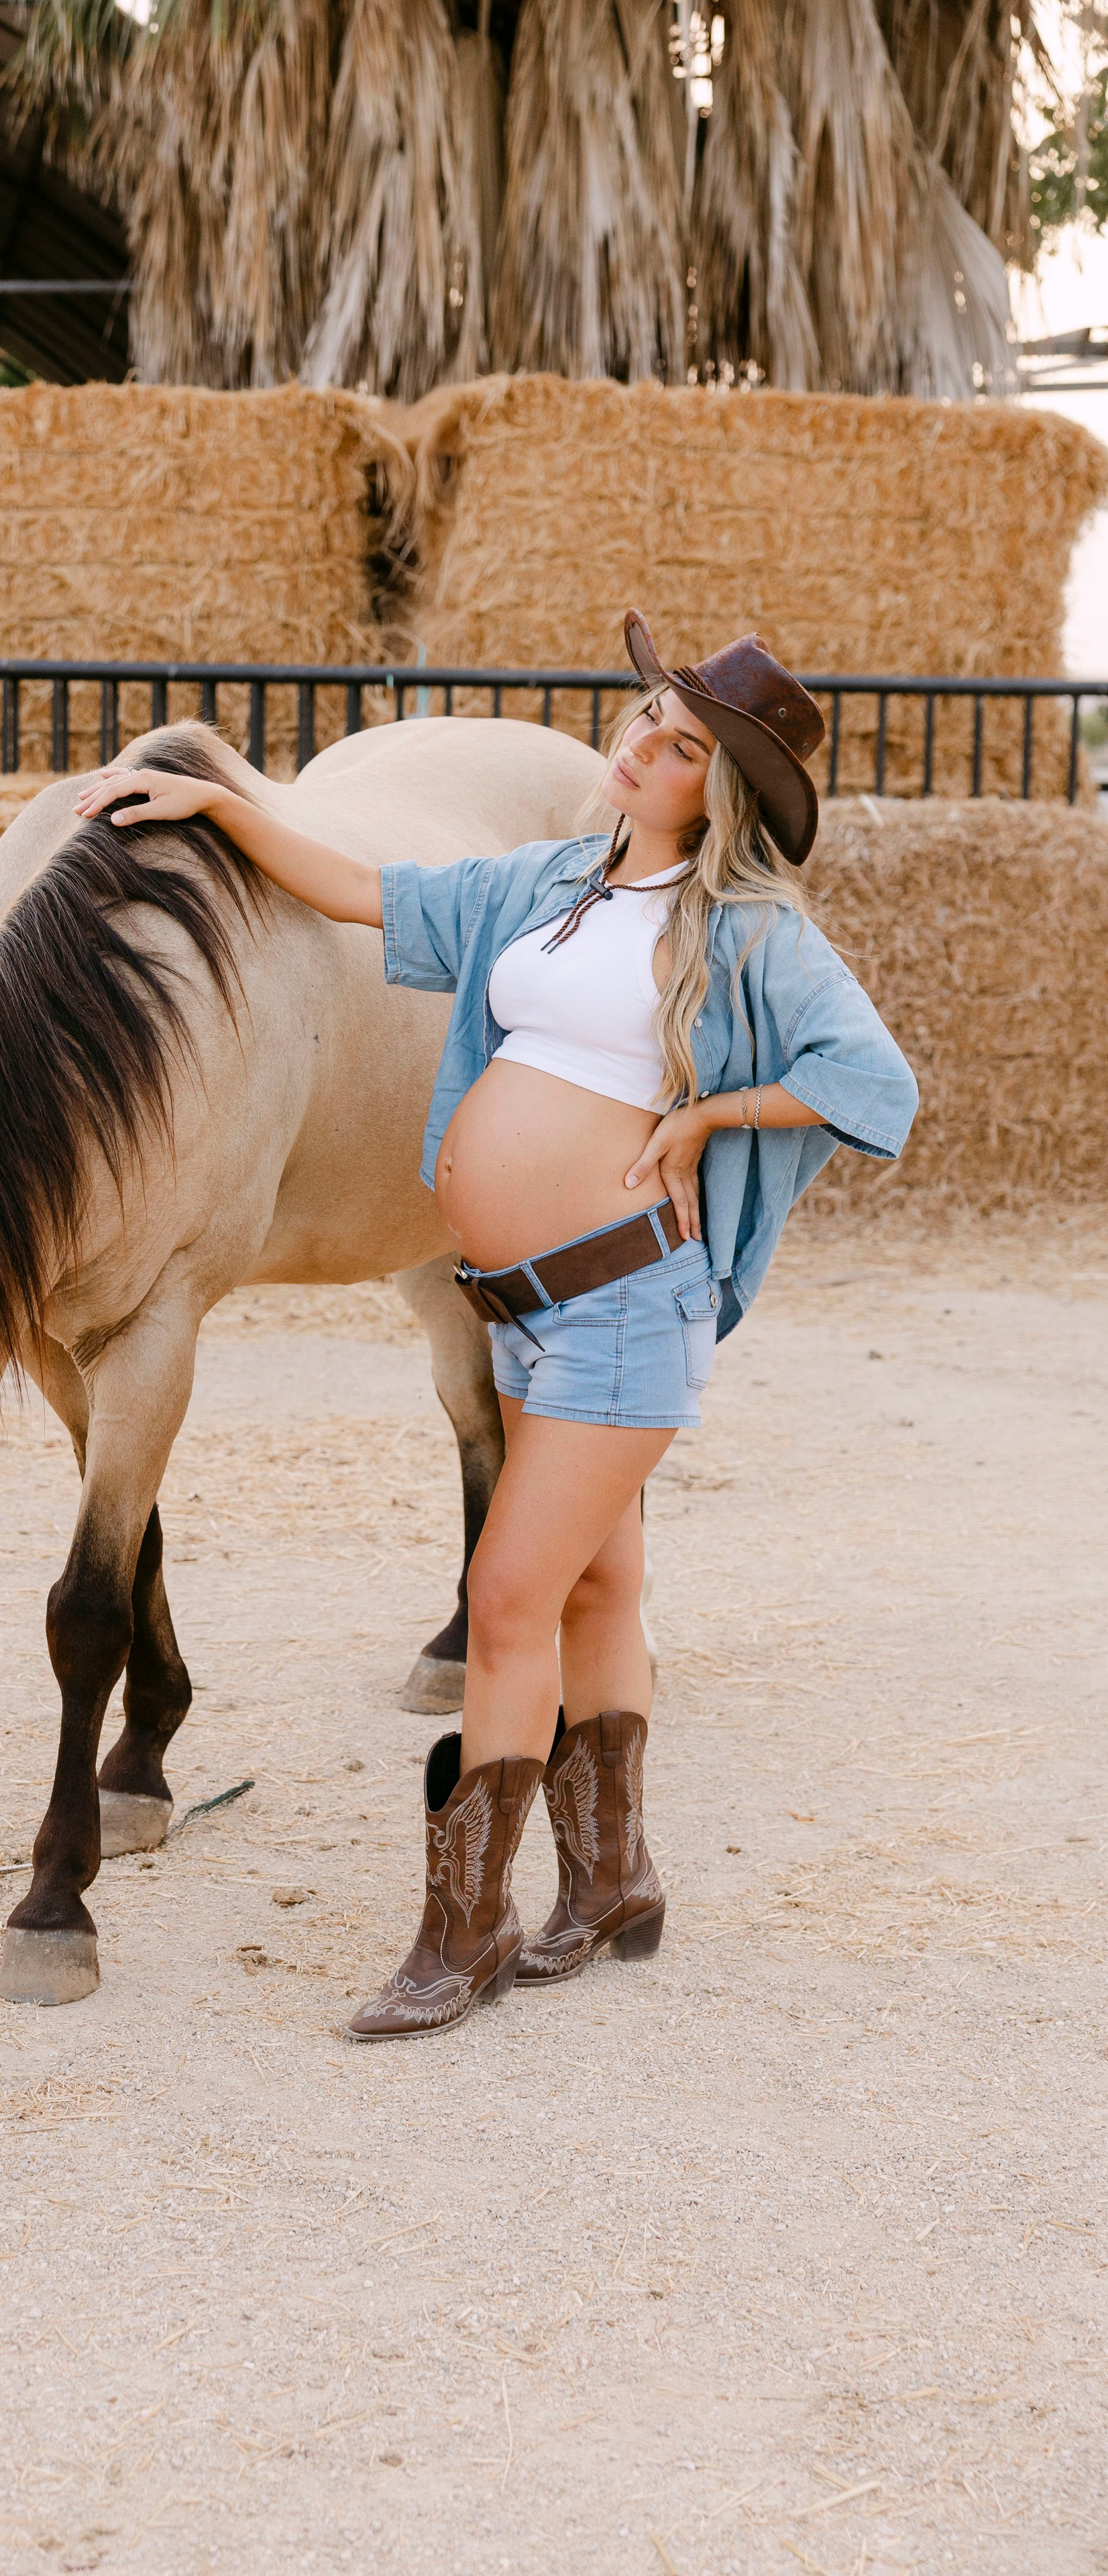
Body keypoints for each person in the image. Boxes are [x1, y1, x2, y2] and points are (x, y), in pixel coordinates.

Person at [73, 611, 918, 2043]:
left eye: (677, 745)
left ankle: (461, 1929)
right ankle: (613, 1880)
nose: (637, 745)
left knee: (511, 1601)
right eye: (645, 720)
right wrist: (222, 804)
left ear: (719, 795)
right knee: (594, 1595)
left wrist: (710, 1111)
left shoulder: (747, 932)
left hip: (622, 1305)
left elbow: (872, 1085)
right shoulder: (548, 883)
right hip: (518, 1311)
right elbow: (366, 891)